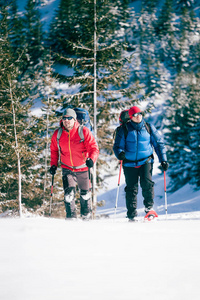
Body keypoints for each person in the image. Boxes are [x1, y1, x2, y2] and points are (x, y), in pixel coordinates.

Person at [113, 106, 168, 221]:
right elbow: (117, 146)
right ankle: (131, 214)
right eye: (135, 115)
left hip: (145, 161)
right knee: (131, 189)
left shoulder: (148, 127)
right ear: (130, 117)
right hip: (129, 163)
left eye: (140, 114)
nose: (138, 116)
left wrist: (163, 160)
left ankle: (149, 209)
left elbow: (158, 144)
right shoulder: (125, 129)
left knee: (147, 184)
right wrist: (120, 154)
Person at [49, 108, 99, 220]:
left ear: (74, 119)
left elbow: (94, 148)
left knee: (85, 195)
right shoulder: (58, 134)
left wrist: (91, 159)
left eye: (69, 118)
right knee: (68, 195)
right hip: (67, 168)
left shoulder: (83, 131)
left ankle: (86, 218)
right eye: (64, 118)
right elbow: (54, 150)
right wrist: (53, 165)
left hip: (83, 168)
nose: (66, 120)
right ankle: (70, 218)